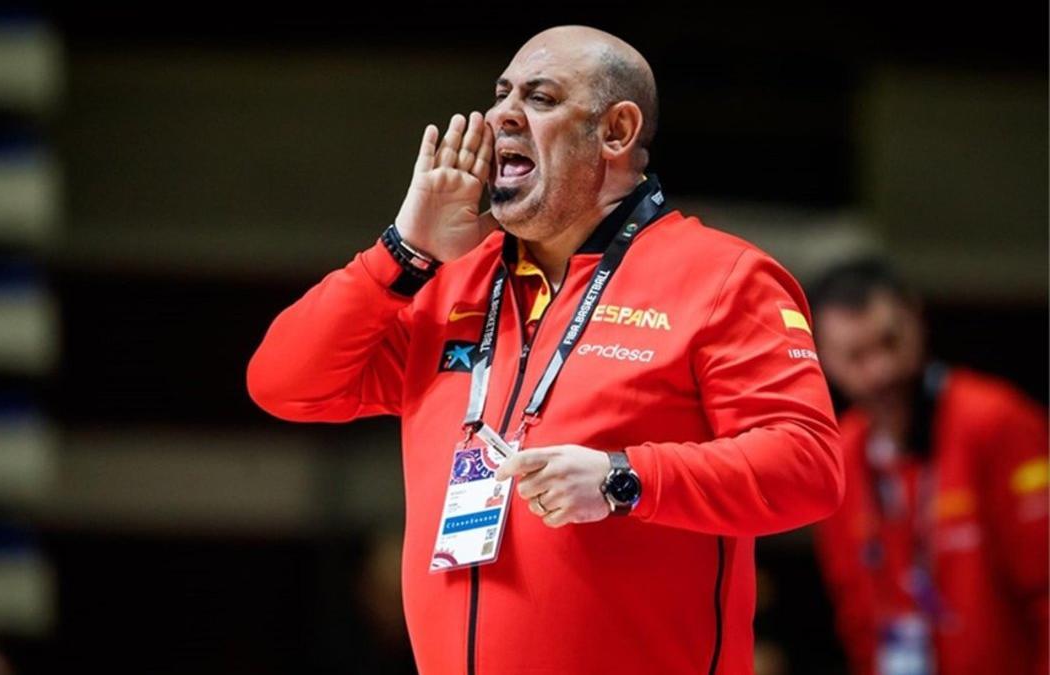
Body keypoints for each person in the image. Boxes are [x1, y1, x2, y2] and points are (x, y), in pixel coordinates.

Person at [247, 25, 843, 674]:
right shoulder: (451, 281)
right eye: (501, 93)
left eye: (540, 96)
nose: (502, 113)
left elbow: (807, 465)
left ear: (616, 131)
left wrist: (625, 478)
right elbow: (284, 383)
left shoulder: (723, 278)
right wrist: (403, 249)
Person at [807, 257, 1049, 675]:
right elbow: (856, 619)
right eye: (856, 356)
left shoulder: (996, 420)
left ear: (916, 319)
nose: (880, 371)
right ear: (823, 360)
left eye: (889, 343)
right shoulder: (834, 456)